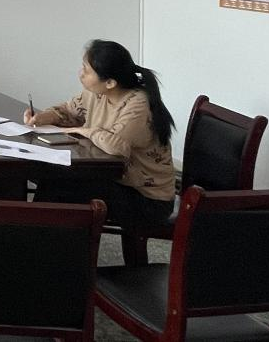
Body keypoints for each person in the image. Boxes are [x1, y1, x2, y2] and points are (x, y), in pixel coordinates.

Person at [26, 39, 176, 229]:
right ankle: (40, 236)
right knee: (54, 179)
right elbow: (69, 110)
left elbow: (116, 146)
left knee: (60, 186)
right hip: (115, 180)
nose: (81, 74)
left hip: (147, 199)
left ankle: (39, 237)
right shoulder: (97, 92)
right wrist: (42, 117)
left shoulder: (137, 104)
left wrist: (84, 130)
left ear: (110, 82)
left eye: (86, 70)